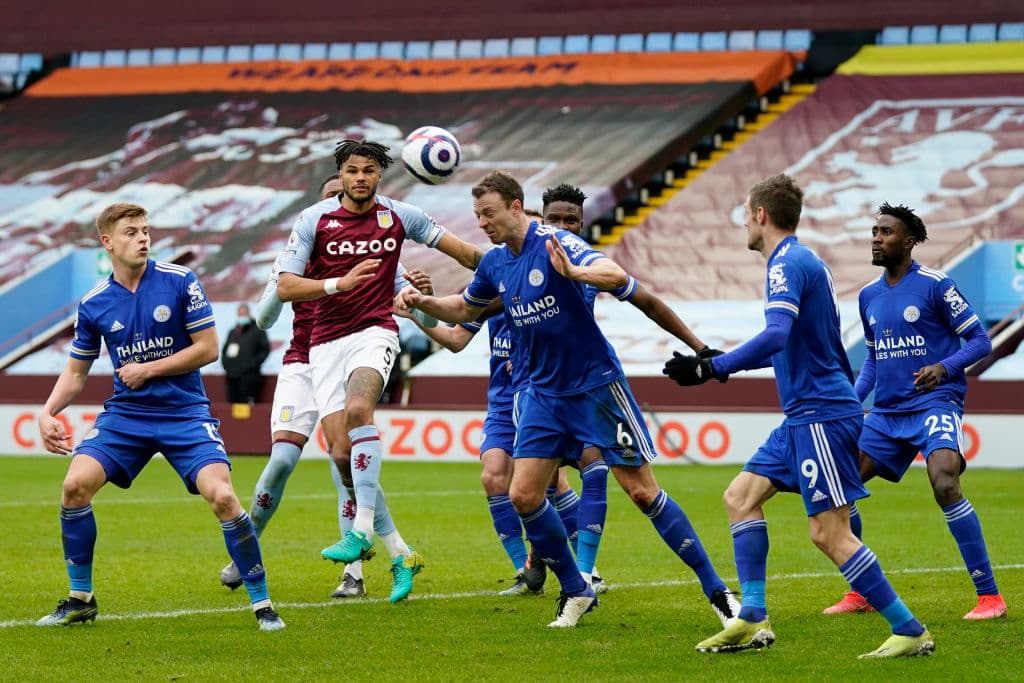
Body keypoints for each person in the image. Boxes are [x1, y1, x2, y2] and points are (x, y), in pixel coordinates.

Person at [397, 171, 736, 628]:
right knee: (522, 494)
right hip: (541, 394)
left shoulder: (556, 242)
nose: (483, 223)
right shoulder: (496, 262)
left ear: (516, 207)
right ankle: (576, 589)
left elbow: (618, 277)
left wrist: (575, 273)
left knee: (640, 491)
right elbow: (463, 310)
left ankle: (719, 592)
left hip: (595, 388)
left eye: (490, 213)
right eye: (477, 215)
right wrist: (421, 302)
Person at [663, 174, 933, 658]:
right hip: (802, 416)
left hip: (821, 415)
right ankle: (752, 614)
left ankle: (909, 628)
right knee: (740, 497)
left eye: (747, 214)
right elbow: (794, 345)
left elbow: (776, 335)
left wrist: (711, 367)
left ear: (761, 215)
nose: (745, 223)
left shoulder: (785, 265)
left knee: (829, 533)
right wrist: (723, 361)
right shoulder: (806, 262)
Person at [35, 202, 284, 631]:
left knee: (223, 497)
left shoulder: (179, 281)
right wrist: (47, 412)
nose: (143, 238)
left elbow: (207, 349)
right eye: (131, 232)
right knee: (74, 486)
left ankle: (262, 604)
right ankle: (81, 599)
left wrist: (148, 369)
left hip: (185, 413)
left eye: (146, 230)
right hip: (126, 416)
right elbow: (76, 372)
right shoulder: (94, 304)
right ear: (107, 242)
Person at [218, 175, 436, 602]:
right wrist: (281, 285)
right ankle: (245, 554)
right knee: (282, 460)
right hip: (303, 362)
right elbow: (264, 319)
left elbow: (424, 320)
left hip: (349, 355)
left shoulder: (374, 259)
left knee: (345, 461)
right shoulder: (294, 258)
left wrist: (422, 299)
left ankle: (353, 573)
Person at [275, 140, 483, 586]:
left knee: (358, 411)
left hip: (375, 332)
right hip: (324, 343)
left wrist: (509, 259)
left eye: (368, 170)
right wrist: (339, 283)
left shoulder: (399, 215)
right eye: (352, 170)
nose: (360, 178)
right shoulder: (313, 220)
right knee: (340, 454)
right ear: (342, 175)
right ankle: (403, 555)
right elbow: (287, 286)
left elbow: (463, 251)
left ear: (379, 176)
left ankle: (361, 530)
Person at [822, 203, 1004, 620]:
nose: (876, 238)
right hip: (885, 413)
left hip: (934, 404)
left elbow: (980, 340)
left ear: (907, 241)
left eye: (885, 232)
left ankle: (990, 597)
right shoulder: (868, 296)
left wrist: (944, 368)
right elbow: (873, 359)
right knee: (839, 486)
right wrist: (851, 401)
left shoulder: (937, 286)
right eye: (873, 231)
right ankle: (861, 591)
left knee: (944, 482)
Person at [221, 302, 270, 404]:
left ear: (249, 314)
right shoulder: (233, 332)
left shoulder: (258, 330)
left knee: (247, 411)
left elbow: (265, 350)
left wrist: (252, 364)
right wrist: (227, 367)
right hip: (232, 378)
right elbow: (224, 352)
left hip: (250, 378)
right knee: (232, 410)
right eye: (240, 314)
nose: (241, 317)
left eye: (244, 314)